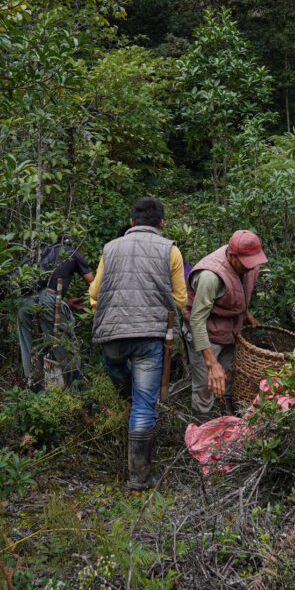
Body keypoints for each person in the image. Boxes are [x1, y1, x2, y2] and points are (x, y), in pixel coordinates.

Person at [89, 196, 187, 490]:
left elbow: (95, 290)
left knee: (119, 374)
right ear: (161, 224)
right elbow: (180, 299)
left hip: (112, 334)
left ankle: (129, 403)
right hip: (149, 338)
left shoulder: (110, 247)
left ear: (131, 222)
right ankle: (139, 478)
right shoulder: (170, 250)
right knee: (145, 404)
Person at [182, 230, 268, 423]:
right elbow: (197, 321)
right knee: (206, 385)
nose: (251, 268)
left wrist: (245, 313)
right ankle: (201, 433)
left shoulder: (249, 263)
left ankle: (228, 423)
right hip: (205, 334)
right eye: (246, 264)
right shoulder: (210, 277)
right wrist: (211, 363)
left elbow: (236, 289)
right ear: (231, 256)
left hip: (229, 332)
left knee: (228, 379)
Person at [16, 236, 94, 390]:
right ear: (73, 242)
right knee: (66, 348)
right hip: (49, 300)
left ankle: (34, 389)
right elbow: (94, 284)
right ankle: (77, 392)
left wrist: (66, 303)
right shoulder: (72, 252)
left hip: (24, 303)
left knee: (30, 349)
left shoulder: (42, 253)